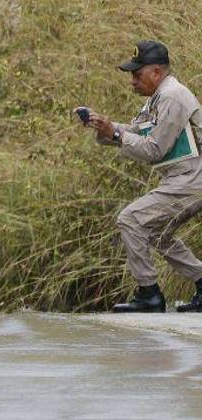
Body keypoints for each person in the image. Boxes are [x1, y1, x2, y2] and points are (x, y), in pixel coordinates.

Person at [86, 40, 202, 313]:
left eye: (137, 74)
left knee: (131, 219)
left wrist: (116, 134)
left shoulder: (172, 96)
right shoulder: (160, 97)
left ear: (156, 72)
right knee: (157, 231)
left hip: (192, 179)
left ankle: (149, 294)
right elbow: (137, 133)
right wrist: (105, 127)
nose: (133, 81)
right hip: (184, 179)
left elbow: (153, 149)